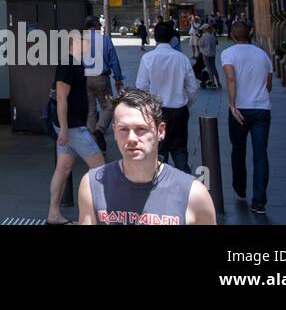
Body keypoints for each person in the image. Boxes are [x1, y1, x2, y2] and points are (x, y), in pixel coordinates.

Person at [78, 89, 216, 225]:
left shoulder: (193, 194)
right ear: (114, 131)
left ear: (160, 131)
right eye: (123, 129)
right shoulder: (92, 185)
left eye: (141, 129)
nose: (131, 138)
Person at [47, 30, 106, 225]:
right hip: (71, 127)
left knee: (63, 168)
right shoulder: (68, 64)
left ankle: (54, 214)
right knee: (100, 166)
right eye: (84, 41)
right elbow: (61, 97)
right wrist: (64, 128)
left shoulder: (75, 63)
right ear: (74, 44)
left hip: (72, 126)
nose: (88, 45)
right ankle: (96, 214)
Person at [221, 22, 273, 214]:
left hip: (240, 109)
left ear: (232, 35)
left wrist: (232, 105)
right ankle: (259, 202)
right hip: (261, 109)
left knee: (238, 149)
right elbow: (268, 85)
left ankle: (240, 189)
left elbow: (231, 79)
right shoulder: (262, 55)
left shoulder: (228, 54)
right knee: (260, 154)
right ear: (249, 33)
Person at [134, 21, 199, 172]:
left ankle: (160, 186)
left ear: (154, 37)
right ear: (172, 38)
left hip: (156, 110)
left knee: (158, 150)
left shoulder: (148, 58)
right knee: (179, 148)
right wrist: (185, 104)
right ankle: (185, 184)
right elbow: (193, 88)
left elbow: (141, 87)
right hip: (179, 109)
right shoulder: (181, 58)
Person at [83, 17, 124, 152]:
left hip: (85, 78)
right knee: (109, 106)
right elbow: (114, 59)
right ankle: (99, 130)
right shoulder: (105, 40)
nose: (100, 28)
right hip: (101, 78)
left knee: (90, 110)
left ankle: (92, 142)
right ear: (95, 27)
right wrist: (118, 78)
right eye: (99, 26)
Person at [199, 24, 220, 89]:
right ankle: (218, 82)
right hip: (212, 54)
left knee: (209, 68)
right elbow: (216, 43)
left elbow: (200, 44)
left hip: (206, 53)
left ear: (204, 29)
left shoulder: (204, 36)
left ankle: (213, 83)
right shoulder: (213, 35)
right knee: (214, 67)